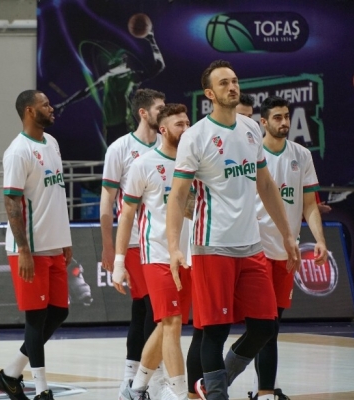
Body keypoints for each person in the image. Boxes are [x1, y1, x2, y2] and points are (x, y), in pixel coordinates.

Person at [166, 60, 299, 400]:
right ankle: (216, 394)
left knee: (265, 326)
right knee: (214, 331)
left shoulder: (251, 128)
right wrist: (174, 247)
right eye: (224, 83)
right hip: (212, 245)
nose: (232, 86)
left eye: (235, 81)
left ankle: (215, 382)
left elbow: (265, 185)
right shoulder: (196, 136)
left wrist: (287, 234)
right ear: (210, 93)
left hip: (252, 245)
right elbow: (178, 195)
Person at [242, 96, 327, 400]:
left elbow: (309, 204)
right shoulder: (251, 155)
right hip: (257, 250)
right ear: (263, 122)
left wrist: (319, 240)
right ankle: (264, 391)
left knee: (272, 324)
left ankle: (262, 388)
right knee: (264, 324)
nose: (284, 122)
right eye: (277, 117)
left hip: (286, 253)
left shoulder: (301, 155)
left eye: (287, 116)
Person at [0, 90, 72, 400]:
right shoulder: (17, 151)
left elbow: (56, 195)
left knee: (59, 312)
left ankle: (10, 374)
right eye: (45, 105)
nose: (52, 108)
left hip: (54, 245)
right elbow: (11, 201)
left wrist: (65, 239)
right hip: (30, 249)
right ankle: (41, 390)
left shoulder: (52, 143)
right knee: (35, 318)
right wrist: (23, 249)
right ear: (29, 111)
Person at [113, 104, 193, 400]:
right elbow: (126, 214)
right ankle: (179, 393)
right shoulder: (144, 164)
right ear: (163, 129)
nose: (186, 129)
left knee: (166, 325)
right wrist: (119, 261)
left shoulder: (194, 163)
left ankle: (136, 389)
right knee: (171, 323)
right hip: (156, 255)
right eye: (179, 125)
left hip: (188, 256)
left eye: (188, 123)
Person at [100, 88, 165, 393]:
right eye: (159, 108)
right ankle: (148, 378)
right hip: (137, 243)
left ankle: (131, 378)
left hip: (162, 241)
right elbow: (107, 200)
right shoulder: (120, 148)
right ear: (143, 112)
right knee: (153, 308)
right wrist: (109, 246)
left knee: (143, 310)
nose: (163, 112)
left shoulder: (167, 145)